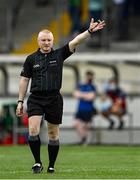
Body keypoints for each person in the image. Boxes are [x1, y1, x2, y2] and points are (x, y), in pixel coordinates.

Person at [16, 18, 105, 174]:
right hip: (36, 98)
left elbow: (75, 41)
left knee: (53, 133)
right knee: (33, 130)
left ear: (52, 40)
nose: (46, 42)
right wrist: (20, 101)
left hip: (54, 98)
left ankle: (51, 165)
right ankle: (37, 163)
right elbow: (24, 80)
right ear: (38, 41)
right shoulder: (31, 59)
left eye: (49, 40)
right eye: (43, 40)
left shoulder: (59, 55)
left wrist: (89, 31)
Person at [73, 71, 97, 145]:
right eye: (88, 76)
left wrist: (81, 94)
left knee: (87, 126)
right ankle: (83, 138)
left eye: (91, 76)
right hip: (80, 108)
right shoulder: (80, 85)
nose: (89, 78)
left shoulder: (92, 86)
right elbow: (75, 94)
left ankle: (86, 141)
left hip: (88, 109)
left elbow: (91, 97)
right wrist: (86, 95)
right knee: (76, 124)